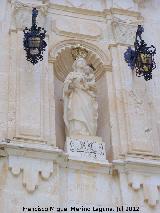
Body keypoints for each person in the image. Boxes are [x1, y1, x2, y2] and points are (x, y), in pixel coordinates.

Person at [63, 57, 98, 137]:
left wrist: (87, 85)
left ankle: (88, 133)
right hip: (76, 95)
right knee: (76, 111)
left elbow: (94, 88)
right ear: (75, 64)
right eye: (79, 61)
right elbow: (66, 89)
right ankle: (77, 132)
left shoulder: (89, 75)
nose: (82, 62)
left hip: (87, 97)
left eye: (83, 61)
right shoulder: (71, 75)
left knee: (88, 112)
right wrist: (72, 85)